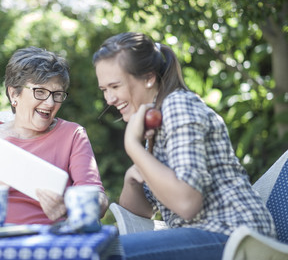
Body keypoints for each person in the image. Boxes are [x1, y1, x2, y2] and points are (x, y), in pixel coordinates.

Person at [93, 32, 276, 259]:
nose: (109, 99)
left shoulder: (178, 106)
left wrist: (132, 146)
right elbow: (138, 213)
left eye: (115, 86)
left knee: (105, 252)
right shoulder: (154, 122)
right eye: (104, 90)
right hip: (205, 236)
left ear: (149, 78)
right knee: (101, 247)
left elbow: (187, 203)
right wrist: (133, 178)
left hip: (235, 236)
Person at [0, 46, 109, 225]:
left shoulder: (72, 135)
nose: (50, 102)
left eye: (57, 94)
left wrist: (68, 207)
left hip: (28, 245)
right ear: (14, 93)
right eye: (40, 91)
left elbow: (99, 201)